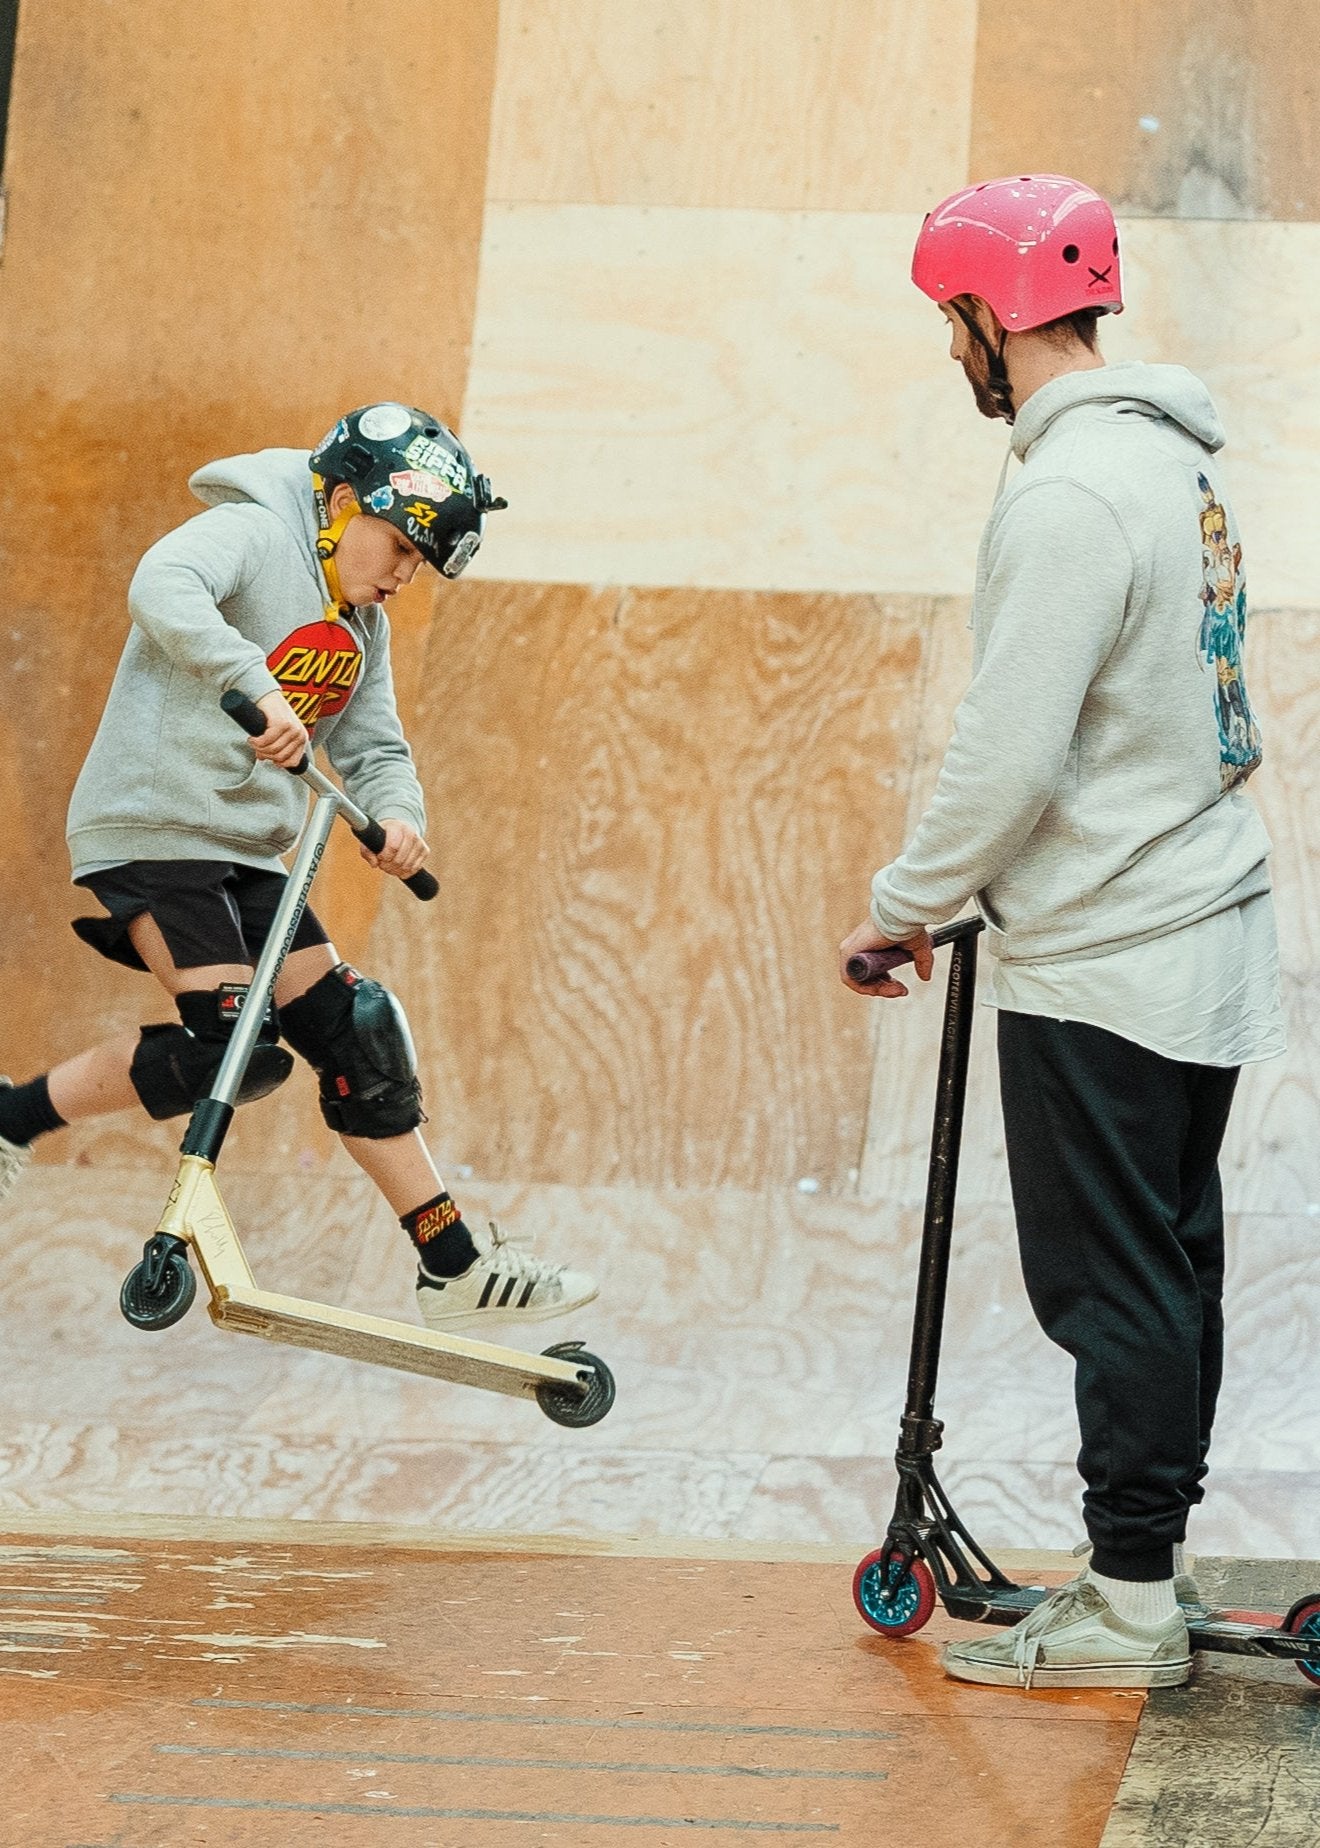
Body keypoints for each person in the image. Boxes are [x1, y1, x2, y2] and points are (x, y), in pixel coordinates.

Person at [840, 176, 1284, 1690]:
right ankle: (1140, 1566)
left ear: (992, 316)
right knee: (1166, 1272)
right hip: (1199, 928)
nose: (950, 351)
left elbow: (1009, 755)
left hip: (1109, 947)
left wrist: (901, 908)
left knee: (1112, 1287)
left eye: (951, 321)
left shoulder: (1068, 493)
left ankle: (1134, 1608)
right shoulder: (1174, 467)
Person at [0, 403, 597, 1332]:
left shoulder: (361, 626)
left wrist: (398, 816)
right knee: (229, 1046)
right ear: (345, 498)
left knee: (355, 1031)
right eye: (399, 547)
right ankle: (13, 1119)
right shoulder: (252, 530)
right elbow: (164, 584)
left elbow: (377, 746)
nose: (405, 574)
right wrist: (250, 681)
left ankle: (454, 1266)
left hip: (243, 847)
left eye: (419, 561)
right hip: (155, 829)